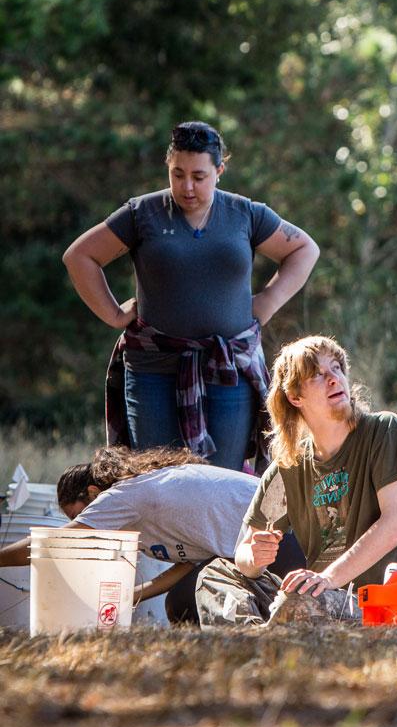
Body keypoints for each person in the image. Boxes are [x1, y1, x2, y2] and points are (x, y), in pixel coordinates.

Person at [63, 120, 320, 472]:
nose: (187, 187)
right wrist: (112, 314)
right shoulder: (143, 214)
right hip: (153, 370)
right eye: (177, 174)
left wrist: (268, 301)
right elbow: (80, 256)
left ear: (219, 170)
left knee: (225, 479)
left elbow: (305, 249)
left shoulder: (245, 214)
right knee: (156, 478)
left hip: (228, 368)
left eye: (199, 177)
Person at [195, 334, 397, 625]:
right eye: (317, 375)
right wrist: (254, 557)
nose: (333, 378)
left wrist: (327, 578)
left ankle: (268, 642)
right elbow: (243, 554)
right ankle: (255, 641)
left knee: (301, 599)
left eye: (336, 368)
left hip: (381, 603)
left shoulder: (385, 431)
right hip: (319, 594)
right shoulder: (288, 468)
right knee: (216, 575)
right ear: (295, 397)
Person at [0, 445, 305, 623]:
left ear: (93, 493)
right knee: (182, 603)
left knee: (299, 614)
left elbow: (56, 544)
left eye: (78, 515)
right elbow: (190, 563)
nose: (83, 524)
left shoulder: (123, 497)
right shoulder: (140, 516)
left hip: (287, 533)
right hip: (253, 549)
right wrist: (131, 595)